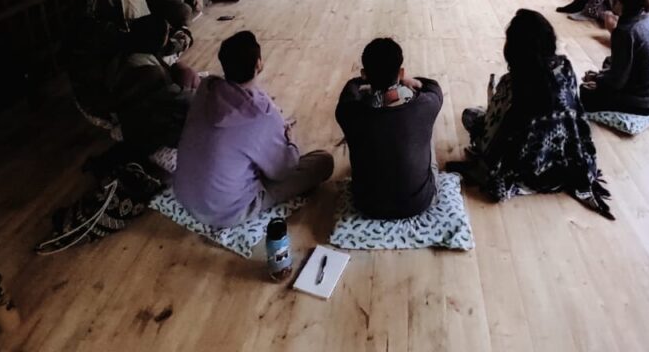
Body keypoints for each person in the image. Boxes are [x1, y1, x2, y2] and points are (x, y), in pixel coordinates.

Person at [447, 9, 612, 218]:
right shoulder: (565, 67)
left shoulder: (514, 84)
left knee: (470, 116)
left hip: (526, 169)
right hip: (567, 163)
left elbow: (493, 134)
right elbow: (576, 114)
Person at [174, 31, 334, 228]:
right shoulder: (260, 116)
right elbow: (282, 171)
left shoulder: (207, 88)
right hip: (226, 211)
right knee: (323, 162)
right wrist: (290, 141)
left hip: (184, 195)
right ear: (258, 64)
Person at [335, 38, 443, 219]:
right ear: (401, 72)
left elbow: (351, 88)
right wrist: (407, 81)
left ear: (364, 73)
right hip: (417, 203)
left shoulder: (347, 112)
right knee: (425, 135)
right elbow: (433, 87)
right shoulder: (427, 105)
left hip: (367, 204)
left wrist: (365, 79)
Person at [104, 15, 200, 154]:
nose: (168, 37)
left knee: (181, 69)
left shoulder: (129, 51)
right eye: (167, 33)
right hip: (147, 120)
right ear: (156, 39)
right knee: (188, 76)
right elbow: (177, 97)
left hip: (137, 108)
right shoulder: (151, 72)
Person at [579, 0, 649, 115]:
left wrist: (599, 81)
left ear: (619, 3)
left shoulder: (625, 31)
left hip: (644, 102)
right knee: (609, 61)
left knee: (585, 92)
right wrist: (600, 77)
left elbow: (617, 81)